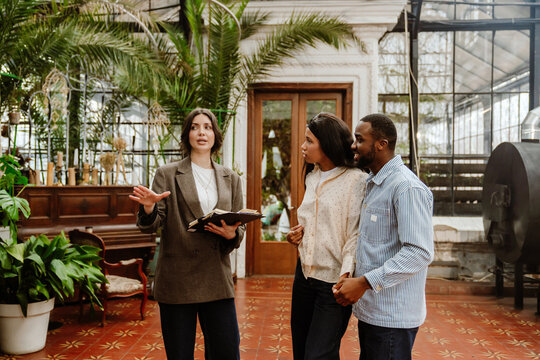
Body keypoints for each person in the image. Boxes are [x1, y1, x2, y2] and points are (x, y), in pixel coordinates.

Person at [130, 108, 244, 360]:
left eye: (207, 127)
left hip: (217, 277)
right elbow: (151, 224)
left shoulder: (231, 178)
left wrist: (231, 235)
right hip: (178, 279)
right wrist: (148, 207)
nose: (201, 132)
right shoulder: (167, 174)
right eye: (194, 127)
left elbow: (239, 226)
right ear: (187, 135)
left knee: (226, 351)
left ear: (215, 135)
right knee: (180, 354)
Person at [332, 113, 434, 360]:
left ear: (381, 144)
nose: (353, 146)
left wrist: (364, 282)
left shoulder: (406, 187)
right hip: (373, 311)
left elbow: (419, 252)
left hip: (393, 318)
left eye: (359, 139)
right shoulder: (373, 182)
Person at [287, 112, 367, 360]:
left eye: (309, 141)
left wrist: (345, 276)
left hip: (333, 283)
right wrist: (296, 237)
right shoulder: (312, 177)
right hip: (304, 277)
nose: (303, 146)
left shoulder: (357, 180)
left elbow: (355, 233)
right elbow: (313, 223)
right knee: (301, 352)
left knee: (318, 355)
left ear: (328, 143)